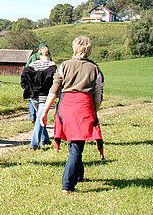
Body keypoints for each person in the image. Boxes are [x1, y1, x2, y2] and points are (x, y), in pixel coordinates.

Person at [40, 36, 104, 194]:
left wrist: (45, 111)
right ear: (89, 49)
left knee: (74, 142)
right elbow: (98, 95)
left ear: (74, 48)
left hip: (66, 107)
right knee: (77, 146)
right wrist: (93, 113)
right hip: (84, 107)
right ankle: (67, 184)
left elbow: (54, 90)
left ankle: (79, 175)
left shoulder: (64, 66)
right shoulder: (95, 69)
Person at [21, 45, 56, 150]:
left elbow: (25, 73)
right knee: (41, 118)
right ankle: (34, 144)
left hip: (33, 96)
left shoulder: (33, 64)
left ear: (39, 55)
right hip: (45, 96)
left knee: (41, 117)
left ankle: (45, 139)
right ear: (49, 55)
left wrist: (27, 87)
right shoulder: (52, 65)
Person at [25, 43, 47, 122]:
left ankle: (32, 117)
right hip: (43, 82)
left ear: (38, 49)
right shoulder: (48, 58)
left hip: (33, 81)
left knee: (31, 99)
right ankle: (41, 116)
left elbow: (26, 68)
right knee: (43, 100)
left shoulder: (33, 57)